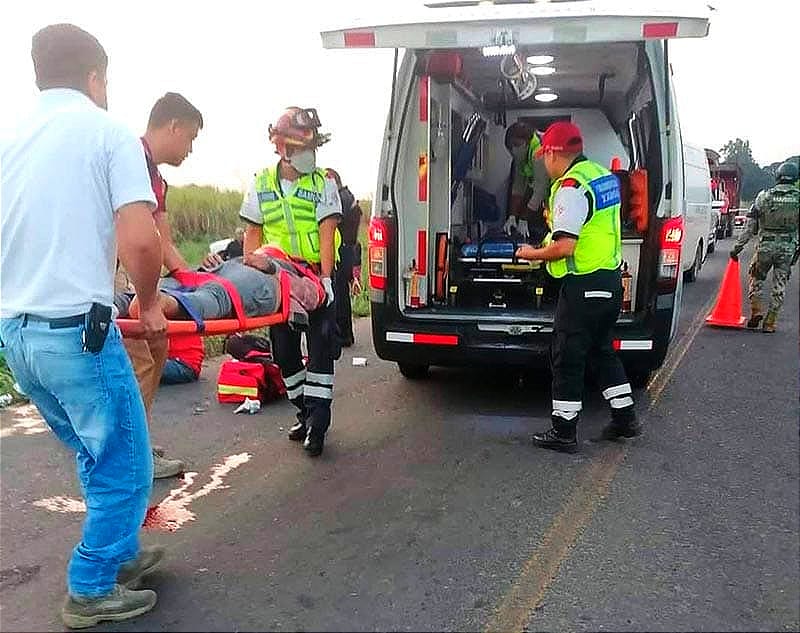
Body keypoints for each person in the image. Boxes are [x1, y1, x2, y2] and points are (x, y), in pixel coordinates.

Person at [0, 24, 167, 627]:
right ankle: (91, 585)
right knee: (125, 461)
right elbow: (141, 241)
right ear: (96, 77)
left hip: (17, 335)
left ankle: (120, 554)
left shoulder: (10, 138)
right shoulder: (107, 134)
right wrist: (149, 306)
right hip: (77, 334)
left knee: (97, 451)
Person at [515, 121, 640, 452]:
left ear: (555, 153)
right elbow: (592, 226)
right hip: (609, 280)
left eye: (544, 156)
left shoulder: (571, 187)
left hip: (583, 284)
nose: (543, 162)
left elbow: (566, 246)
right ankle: (625, 419)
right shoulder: (600, 175)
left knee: (567, 355)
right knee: (601, 350)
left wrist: (533, 254)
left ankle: (564, 431)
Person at [240, 106, 342, 457]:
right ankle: (305, 411)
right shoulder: (262, 183)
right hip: (278, 280)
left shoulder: (323, 183)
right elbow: (252, 236)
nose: (309, 155)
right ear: (282, 148)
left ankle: (319, 424)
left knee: (320, 348)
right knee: (283, 353)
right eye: (302, 149)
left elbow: (327, 234)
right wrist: (254, 275)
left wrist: (327, 279)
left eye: (312, 147)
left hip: (315, 276)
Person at [116, 92, 203, 479]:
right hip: (114, 270)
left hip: (135, 273)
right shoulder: (128, 158)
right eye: (191, 138)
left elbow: (164, 242)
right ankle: (130, 457)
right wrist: (146, 298)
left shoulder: (156, 179)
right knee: (139, 358)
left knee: (157, 344)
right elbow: (135, 236)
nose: (190, 148)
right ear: (174, 126)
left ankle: (136, 442)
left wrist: (192, 278)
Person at [124, 252, 324, 325]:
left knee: (218, 293)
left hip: (265, 277)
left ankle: (145, 300)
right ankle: (147, 300)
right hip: (232, 268)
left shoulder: (300, 270)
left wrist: (274, 267)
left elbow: (314, 296)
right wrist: (215, 261)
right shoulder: (289, 265)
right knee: (211, 291)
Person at [729, 160, 799, 333]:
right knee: (779, 285)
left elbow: (749, 227)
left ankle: (756, 310)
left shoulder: (764, 196)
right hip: (787, 248)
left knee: (756, 279)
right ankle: (770, 322)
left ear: (778, 176)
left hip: (765, 246)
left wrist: (737, 248)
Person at [326, 168, 362, 347]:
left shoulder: (341, 199)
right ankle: (344, 333)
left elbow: (333, 222)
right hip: (348, 249)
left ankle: (343, 335)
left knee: (339, 293)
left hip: (343, 250)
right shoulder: (348, 197)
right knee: (341, 293)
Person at [503, 122, 550, 244]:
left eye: (517, 145)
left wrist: (524, 219)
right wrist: (512, 216)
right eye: (511, 147)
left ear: (527, 142)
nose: (514, 150)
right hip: (545, 198)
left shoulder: (539, 152)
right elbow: (518, 186)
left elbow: (540, 190)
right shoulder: (521, 156)